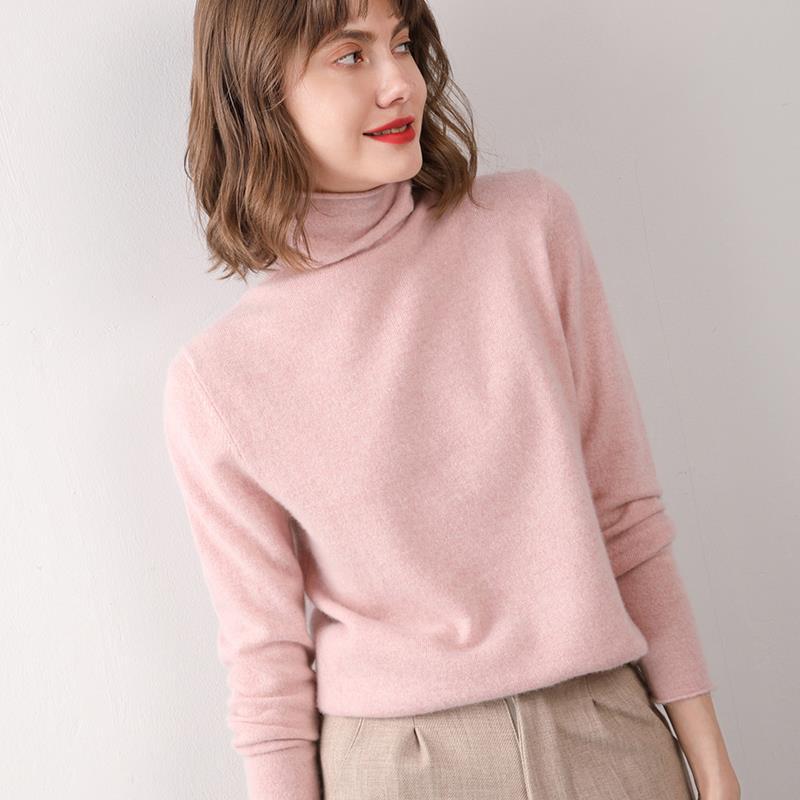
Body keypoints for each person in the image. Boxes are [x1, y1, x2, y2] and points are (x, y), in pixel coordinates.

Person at [162, 0, 740, 798]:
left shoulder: (527, 228)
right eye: (351, 55)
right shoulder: (220, 380)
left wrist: (711, 763)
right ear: (258, 93)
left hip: (607, 739)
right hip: (397, 768)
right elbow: (266, 662)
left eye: (402, 44)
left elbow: (625, 516)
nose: (400, 82)